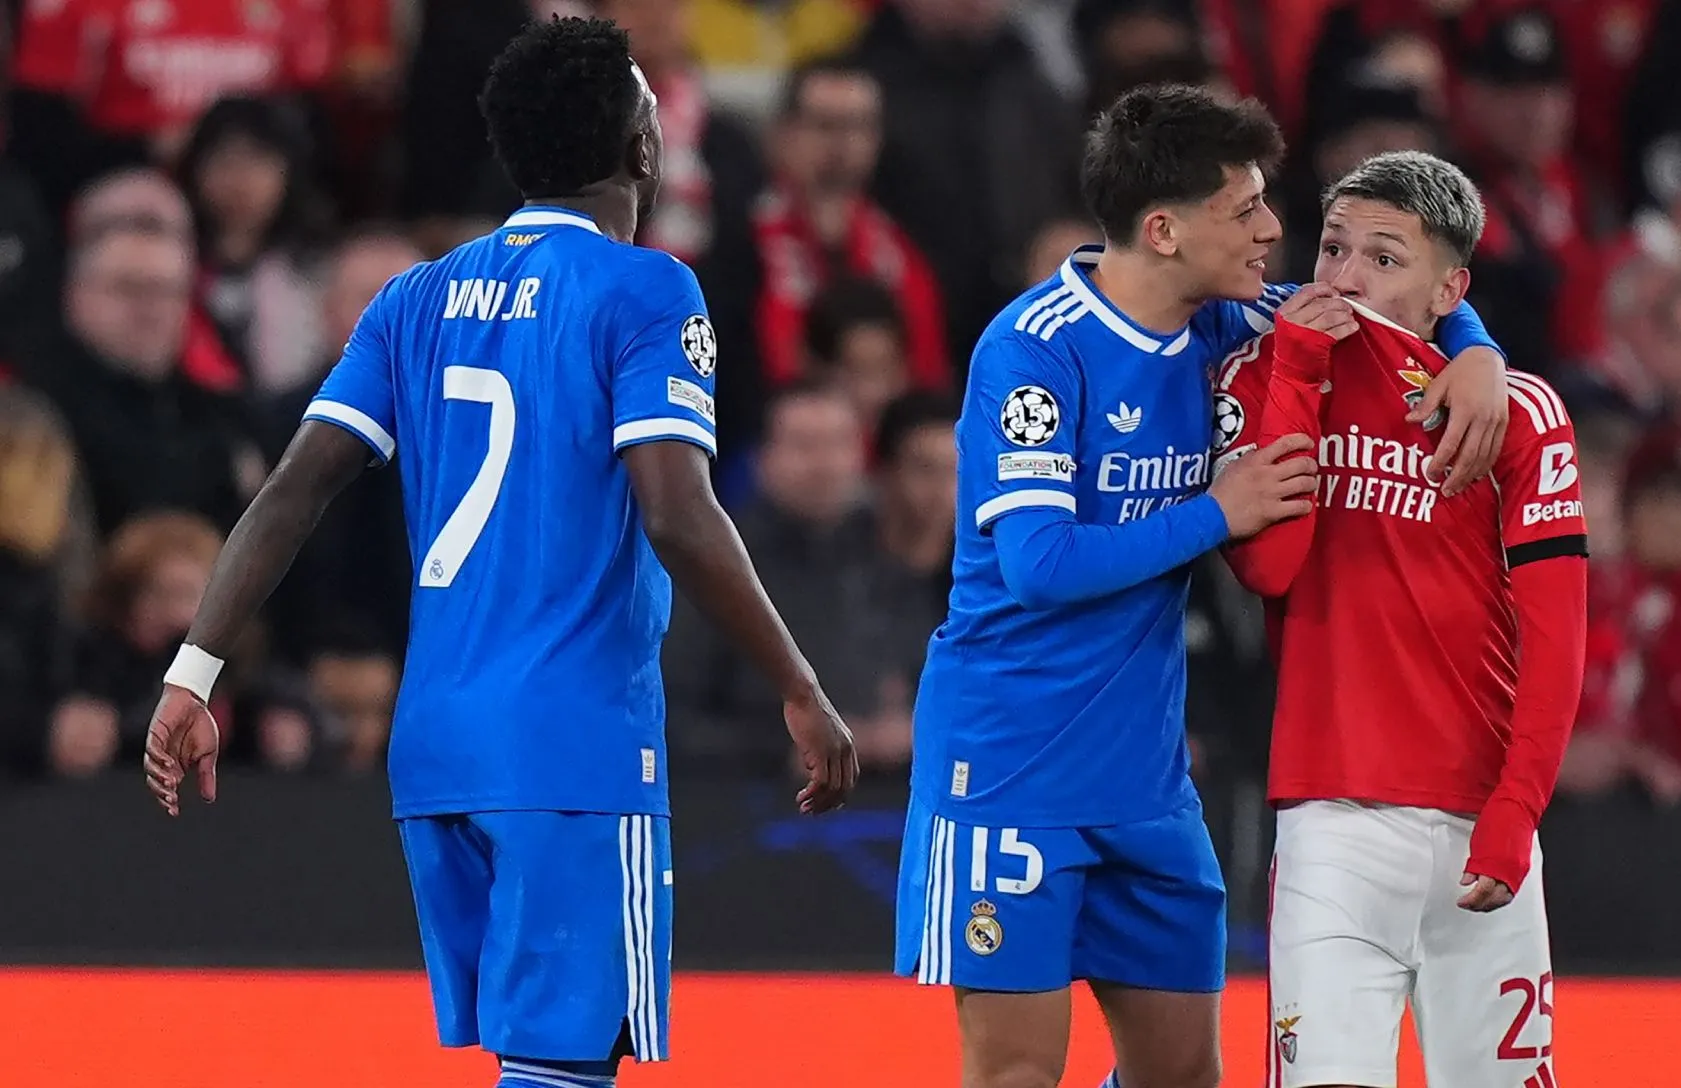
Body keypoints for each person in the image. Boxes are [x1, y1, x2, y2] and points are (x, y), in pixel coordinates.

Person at [141, 17, 857, 1088]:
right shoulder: (647, 289)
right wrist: (799, 685)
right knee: (567, 1061)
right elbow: (677, 511)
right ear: (642, 146)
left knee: (539, 1056)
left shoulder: (413, 297)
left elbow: (292, 488)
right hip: (571, 739)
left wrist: (192, 672)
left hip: (437, 746)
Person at [894, 87, 1512, 1088]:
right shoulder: (1035, 349)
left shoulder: (1230, 318)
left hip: (1145, 779)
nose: (1273, 229)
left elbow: (1388, 303)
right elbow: (1040, 565)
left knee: (1182, 1077)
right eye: (1245, 209)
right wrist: (1217, 512)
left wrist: (1477, 351)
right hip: (1010, 765)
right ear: (1164, 230)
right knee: (1017, 1074)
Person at [1214, 150, 1588, 1088]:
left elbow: (1558, 639)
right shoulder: (1259, 371)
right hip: (1332, 825)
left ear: (1448, 290)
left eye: (1383, 259)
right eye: (1333, 248)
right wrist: (1300, 371)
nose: (1345, 277)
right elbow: (1268, 568)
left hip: (1480, 820)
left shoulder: (1517, 412)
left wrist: (1518, 808)